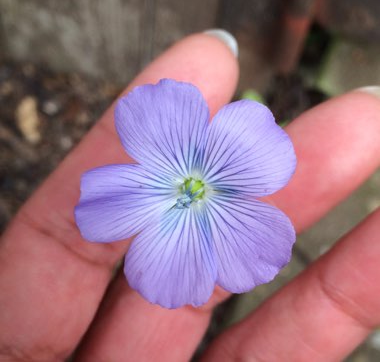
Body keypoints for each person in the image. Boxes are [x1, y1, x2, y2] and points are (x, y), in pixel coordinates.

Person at [0, 30, 379, 362]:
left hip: (198, 176)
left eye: (196, 187)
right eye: (193, 187)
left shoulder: (235, 169)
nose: (192, 189)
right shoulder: (169, 144)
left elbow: (250, 236)